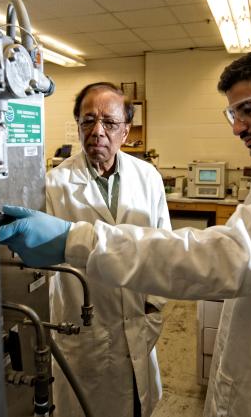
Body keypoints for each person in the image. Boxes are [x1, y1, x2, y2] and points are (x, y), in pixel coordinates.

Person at [0, 49, 251, 417]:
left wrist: (75, 240)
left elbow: (224, 258)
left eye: (248, 110)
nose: (237, 127)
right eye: (233, 113)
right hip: (100, 330)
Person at [46, 82, 170, 417]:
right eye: (88, 121)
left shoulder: (148, 177)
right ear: (78, 126)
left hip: (138, 319)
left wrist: (153, 305)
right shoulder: (55, 185)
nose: (98, 131)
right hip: (85, 325)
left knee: (136, 404)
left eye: (110, 123)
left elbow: (165, 247)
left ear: (125, 131)